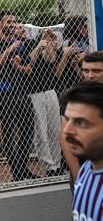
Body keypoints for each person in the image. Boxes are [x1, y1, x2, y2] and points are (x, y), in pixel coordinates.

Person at [59, 51, 103, 221]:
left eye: (82, 123)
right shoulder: (87, 172)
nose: (68, 131)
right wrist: (78, 175)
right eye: (86, 70)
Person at [0, 11, 36, 182]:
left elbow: (28, 66)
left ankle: (21, 168)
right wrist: (9, 50)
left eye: (13, 21)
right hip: (3, 91)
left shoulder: (17, 42)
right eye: (8, 22)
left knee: (28, 128)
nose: (11, 24)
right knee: (8, 131)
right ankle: (17, 171)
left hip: (21, 90)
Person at [26, 29, 64, 176]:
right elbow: (29, 60)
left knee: (55, 130)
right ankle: (48, 166)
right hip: (35, 92)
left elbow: (51, 59)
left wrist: (49, 46)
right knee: (41, 131)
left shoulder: (55, 51)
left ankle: (57, 163)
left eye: (53, 38)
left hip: (50, 91)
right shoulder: (32, 44)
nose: (50, 39)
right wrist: (40, 45)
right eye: (49, 36)